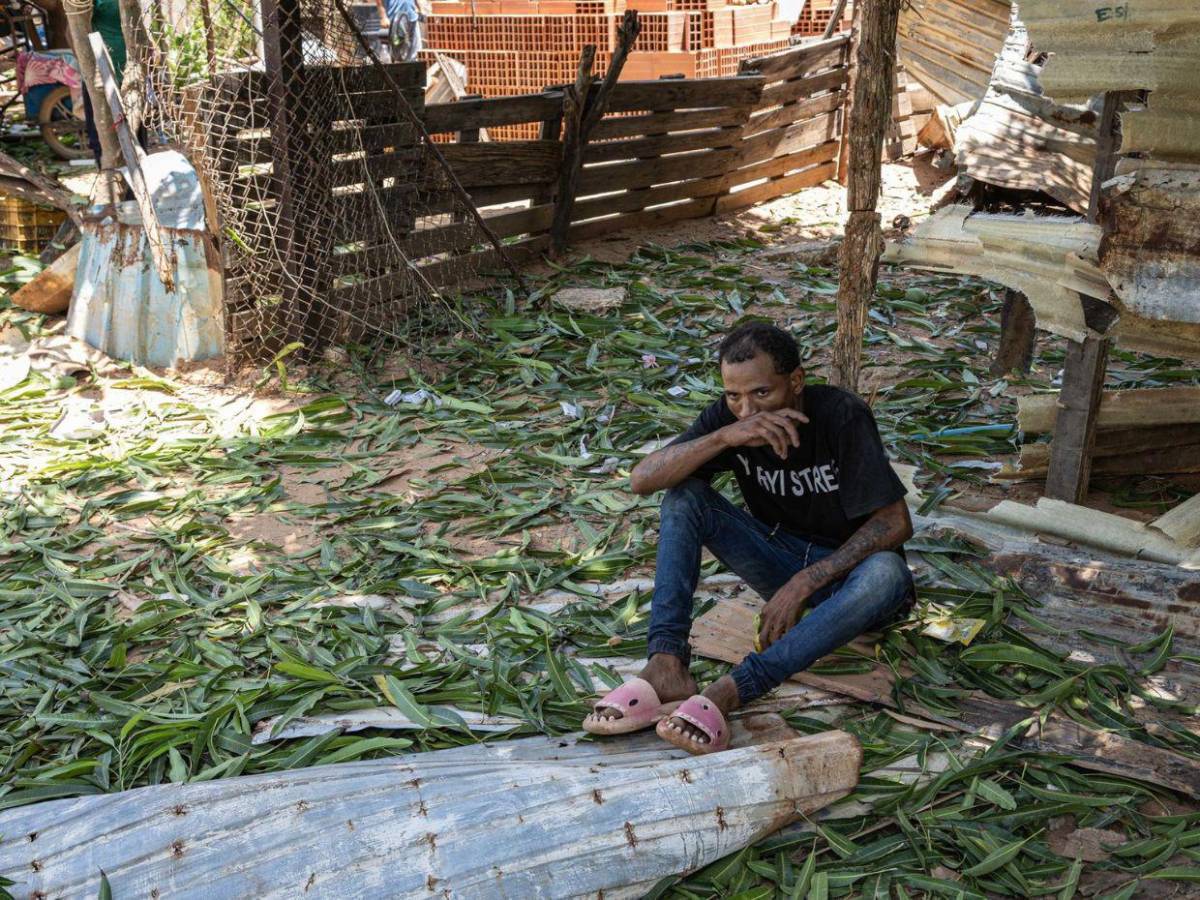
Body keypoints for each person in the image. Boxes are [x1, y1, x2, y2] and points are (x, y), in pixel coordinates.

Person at [583, 322, 914, 754]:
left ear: (796, 381)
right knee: (685, 497)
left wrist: (807, 581)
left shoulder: (840, 415)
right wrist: (722, 437)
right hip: (782, 561)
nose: (747, 410)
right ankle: (665, 663)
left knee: (888, 571)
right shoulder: (731, 420)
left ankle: (737, 687)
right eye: (733, 396)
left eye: (762, 394)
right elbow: (643, 480)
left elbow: (895, 523)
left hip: (853, 583)